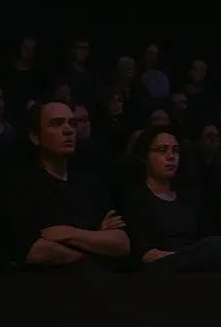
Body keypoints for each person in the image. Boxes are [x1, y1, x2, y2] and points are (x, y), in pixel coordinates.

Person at [8, 100, 130, 272]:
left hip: (99, 285)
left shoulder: (90, 181)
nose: (68, 130)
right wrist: (96, 242)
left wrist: (68, 233)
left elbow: (121, 244)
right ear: (35, 137)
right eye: (57, 124)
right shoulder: (21, 183)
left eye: (72, 123)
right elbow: (32, 251)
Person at [119, 126, 221, 273]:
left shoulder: (189, 197)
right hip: (158, 270)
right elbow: (144, 254)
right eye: (162, 150)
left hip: (195, 268)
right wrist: (193, 256)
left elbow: (208, 234)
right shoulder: (134, 198)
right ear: (145, 157)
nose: (171, 156)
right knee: (215, 247)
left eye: (176, 150)